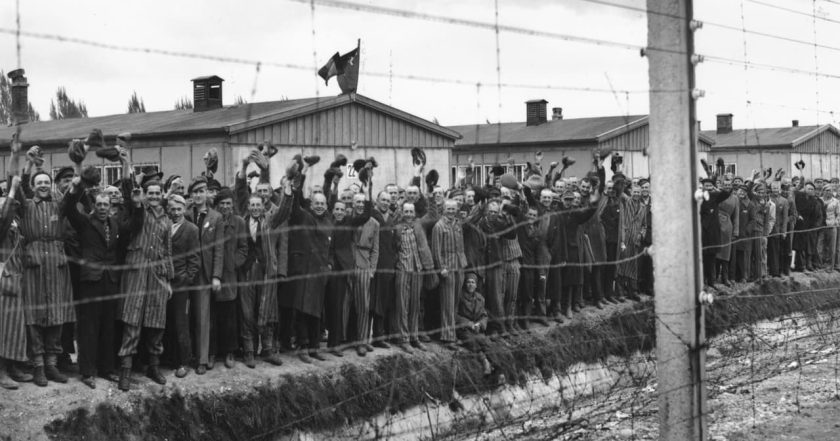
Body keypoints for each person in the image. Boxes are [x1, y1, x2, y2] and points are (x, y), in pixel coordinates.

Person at [63, 166, 141, 389]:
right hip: (91, 280)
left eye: (106, 205)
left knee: (108, 326)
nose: (103, 208)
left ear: (111, 207)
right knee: (88, 327)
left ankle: (107, 369)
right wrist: (75, 188)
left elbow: (135, 223)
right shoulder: (85, 223)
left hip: (110, 281)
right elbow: (69, 209)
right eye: (99, 204)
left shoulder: (116, 224)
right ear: (94, 206)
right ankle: (88, 372)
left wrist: (137, 204)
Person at [10, 144, 76, 387]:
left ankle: (52, 364)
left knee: (56, 314)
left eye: (46, 182)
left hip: (57, 264)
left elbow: (73, 193)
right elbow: (19, 185)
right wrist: (28, 163)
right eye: (39, 183)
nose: (43, 185)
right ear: (34, 187)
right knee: (34, 315)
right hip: (34, 262)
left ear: (51, 185)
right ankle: (38, 365)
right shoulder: (27, 205)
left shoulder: (59, 205)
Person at [117, 171, 174, 392]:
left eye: (157, 193)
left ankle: (153, 366)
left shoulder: (167, 221)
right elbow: (128, 189)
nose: (153, 196)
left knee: (156, 323)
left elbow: (168, 251)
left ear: (162, 195)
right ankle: (125, 370)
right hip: (136, 272)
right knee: (132, 323)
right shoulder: (137, 210)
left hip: (157, 276)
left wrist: (168, 280)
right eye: (149, 193)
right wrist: (125, 163)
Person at [186, 176, 225, 374]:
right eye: (195, 192)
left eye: (201, 191)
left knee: (203, 317)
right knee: (185, 316)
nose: (198, 195)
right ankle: (185, 356)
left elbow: (219, 249)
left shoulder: (216, 218)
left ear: (206, 193)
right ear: (190, 195)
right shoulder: (185, 214)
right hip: (185, 272)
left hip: (204, 273)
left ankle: (202, 358)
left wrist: (216, 276)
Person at [0, 176, 33, 389]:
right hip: (4, 278)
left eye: (6, 193)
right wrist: (12, 190)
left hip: (17, 277)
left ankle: (12, 366)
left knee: (15, 327)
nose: (4, 196)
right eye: (1, 193)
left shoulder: (15, 221)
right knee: (3, 327)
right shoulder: (3, 222)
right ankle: (2, 372)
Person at [165, 194, 199, 378]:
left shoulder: (191, 229)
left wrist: (184, 280)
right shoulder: (164, 226)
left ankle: (183, 361)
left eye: (179, 209)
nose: (176, 213)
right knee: (166, 322)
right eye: (172, 209)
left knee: (181, 323)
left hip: (181, 285)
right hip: (164, 282)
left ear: (184, 209)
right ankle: (169, 358)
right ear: (168, 210)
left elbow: (194, 262)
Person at [214, 188, 248, 367]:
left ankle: (230, 351)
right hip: (212, 273)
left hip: (230, 275)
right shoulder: (212, 220)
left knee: (229, 315)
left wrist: (232, 264)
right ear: (217, 205)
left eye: (228, 203)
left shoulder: (239, 222)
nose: (226, 207)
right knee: (213, 314)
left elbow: (244, 248)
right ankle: (214, 352)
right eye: (222, 204)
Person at [394, 202, 434, 352]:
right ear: (402, 212)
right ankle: (404, 339)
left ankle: (414, 337)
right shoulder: (397, 228)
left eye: (411, 212)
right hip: (403, 269)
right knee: (403, 305)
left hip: (418, 269)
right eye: (406, 211)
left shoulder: (418, 226)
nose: (409, 214)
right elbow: (394, 248)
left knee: (415, 305)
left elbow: (433, 215)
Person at [431, 199, 467, 349]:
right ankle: (447, 337)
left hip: (460, 265)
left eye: (454, 209)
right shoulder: (438, 226)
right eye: (449, 209)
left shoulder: (458, 224)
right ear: (443, 209)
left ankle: (453, 333)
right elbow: (436, 250)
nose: (451, 212)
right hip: (447, 268)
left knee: (455, 301)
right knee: (447, 303)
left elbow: (462, 246)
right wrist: (441, 268)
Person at [350, 192, 379, 355]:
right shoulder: (348, 219)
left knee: (364, 305)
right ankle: (346, 339)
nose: (360, 205)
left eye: (363, 202)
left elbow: (375, 249)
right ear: (353, 204)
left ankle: (362, 341)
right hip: (347, 264)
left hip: (364, 265)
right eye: (357, 202)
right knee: (346, 303)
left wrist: (372, 270)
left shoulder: (374, 223)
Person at [456, 273, 492, 375]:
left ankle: (497, 370)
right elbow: (455, 315)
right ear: (465, 284)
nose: (470, 285)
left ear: (476, 285)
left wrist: (480, 324)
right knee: (472, 341)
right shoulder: (459, 297)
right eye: (468, 282)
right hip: (464, 329)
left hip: (476, 329)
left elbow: (484, 315)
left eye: (473, 282)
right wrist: (468, 323)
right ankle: (484, 361)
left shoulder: (480, 298)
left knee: (485, 342)